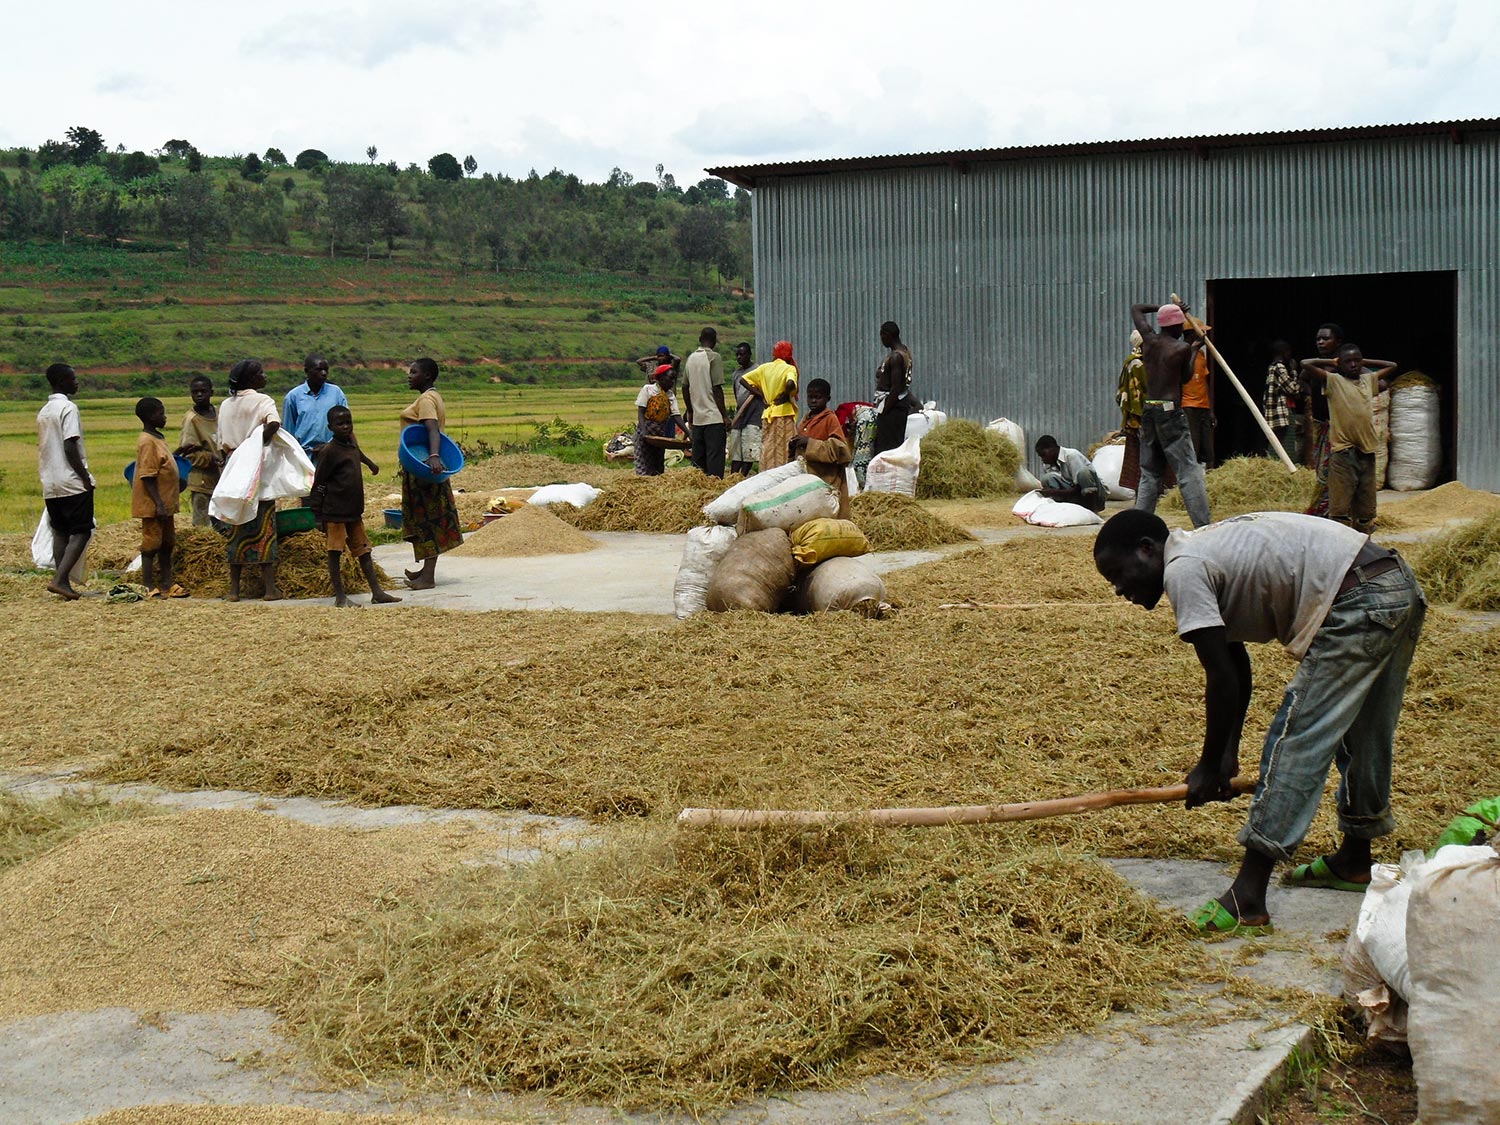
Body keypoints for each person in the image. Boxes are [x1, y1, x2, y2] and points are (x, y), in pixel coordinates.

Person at [1094, 508, 1426, 934]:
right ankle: (1355, 859)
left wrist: (1209, 764)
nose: (1120, 589)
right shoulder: (1199, 552)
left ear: (1146, 550)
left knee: (1296, 738)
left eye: (1118, 574)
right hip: (1393, 585)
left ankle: (1248, 897)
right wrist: (1228, 754)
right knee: (1364, 732)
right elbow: (1236, 665)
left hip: (1358, 599)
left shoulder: (1183, 570)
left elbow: (1221, 680)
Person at [1129, 301, 1212, 527]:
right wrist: (1194, 349)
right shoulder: (1181, 348)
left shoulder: (1149, 339)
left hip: (1149, 409)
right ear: (1176, 327)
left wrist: (1163, 307)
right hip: (1169, 411)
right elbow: (1185, 378)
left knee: (1149, 473)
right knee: (1187, 471)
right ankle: (1203, 526)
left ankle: (1140, 525)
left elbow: (1136, 308)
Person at [310, 405, 400, 608]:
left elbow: (357, 453)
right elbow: (319, 482)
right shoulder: (329, 451)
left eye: (348, 422)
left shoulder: (351, 443)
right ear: (330, 427)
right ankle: (340, 597)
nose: (345, 427)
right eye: (339, 423)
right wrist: (317, 513)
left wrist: (370, 464)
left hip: (353, 511)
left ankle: (377, 592)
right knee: (335, 552)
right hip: (334, 513)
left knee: (364, 550)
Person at [1302, 343, 1397, 534]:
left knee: (1366, 504)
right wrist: (1332, 361)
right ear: (1340, 364)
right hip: (1344, 452)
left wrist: (1364, 361)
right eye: (1348, 362)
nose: (1353, 365)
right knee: (1341, 505)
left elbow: (1392, 366)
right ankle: (1342, 539)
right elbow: (1306, 363)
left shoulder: (1367, 380)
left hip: (1366, 452)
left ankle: (1364, 536)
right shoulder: (1334, 381)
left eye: (1357, 361)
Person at [217, 358, 283, 602]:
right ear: (252, 379)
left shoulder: (225, 405)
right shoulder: (263, 401)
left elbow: (221, 442)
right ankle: (269, 589)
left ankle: (234, 590)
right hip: (256, 470)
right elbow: (274, 424)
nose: (265, 376)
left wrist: (238, 453)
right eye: (261, 373)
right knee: (264, 524)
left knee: (235, 525)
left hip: (232, 468)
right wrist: (254, 444)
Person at [399, 357, 462, 589]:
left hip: (425, 468)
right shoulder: (434, 396)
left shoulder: (426, 400)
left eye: (413, 372)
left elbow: (432, 429)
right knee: (428, 519)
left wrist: (433, 457)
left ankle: (428, 577)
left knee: (427, 521)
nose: (409, 375)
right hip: (427, 466)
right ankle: (425, 570)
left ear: (426, 376)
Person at [36, 362, 95, 600]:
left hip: (50, 481)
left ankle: (63, 584)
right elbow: (70, 446)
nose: (76, 382)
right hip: (71, 480)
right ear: (62, 382)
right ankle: (60, 579)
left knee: (60, 531)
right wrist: (84, 477)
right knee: (81, 531)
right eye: (73, 378)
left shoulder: (44, 411)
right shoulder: (68, 408)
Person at [131, 397, 185, 598]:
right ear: (151, 416)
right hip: (154, 504)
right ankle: (147, 583)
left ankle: (167, 582)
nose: (164, 416)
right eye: (161, 413)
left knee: (167, 543)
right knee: (151, 544)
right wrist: (159, 503)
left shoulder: (157, 438)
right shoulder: (147, 441)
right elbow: (148, 475)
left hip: (165, 504)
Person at [788, 378, 852, 518]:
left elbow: (841, 450)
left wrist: (810, 443)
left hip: (825, 478)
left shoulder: (830, 419)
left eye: (818, 397)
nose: (813, 401)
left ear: (827, 398)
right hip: (808, 477)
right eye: (810, 397)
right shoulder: (806, 419)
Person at [733, 340, 799, 470]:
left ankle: (766, 472)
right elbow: (790, 383)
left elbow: (743, 380)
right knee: (785, 449)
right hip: (784, 414)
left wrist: (762, 395)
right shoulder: (789, 368)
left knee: (768, 447)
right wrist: (786, 393)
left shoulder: (765, 368)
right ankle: (783, 476)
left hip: (767, 413)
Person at [1301, 323, 1343, 517]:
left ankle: (1334, 509)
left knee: (1335, 468)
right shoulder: (1315, 365)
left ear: (1338, 341)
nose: (1321, 342)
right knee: (1321, 468)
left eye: (1326, 338)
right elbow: (1303, 375)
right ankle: (1323, 508)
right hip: (1320, 423)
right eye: (1318, 338)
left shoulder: (1344, 364)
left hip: (1339, 425)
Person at [282, 354, 348, 460]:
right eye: (318, 370)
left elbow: (345, 424)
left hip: (332, 455)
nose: (324, 373)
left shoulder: (336, 393)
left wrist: (329, 446)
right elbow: (289, 431)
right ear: (306, 371)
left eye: (326, 370)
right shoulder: (293, 397)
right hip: (303, 457)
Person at [682, 327, 728, 477]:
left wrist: (690, 411)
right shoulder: (714, 357)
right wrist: (725, 416)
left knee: (698, 463)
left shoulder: (690, 359)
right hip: (713, 418)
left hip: (698, 419)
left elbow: (684, 387)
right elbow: (716, 389)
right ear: (714, 342)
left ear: (699, 339)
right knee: (714, 461)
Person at [176, 374, 222, 527]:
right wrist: (210, 458)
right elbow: (188, 455)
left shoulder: (219, 413)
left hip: (221, 478)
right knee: (202, 526)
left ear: (211, 392)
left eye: (203, 391)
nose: (199, 395)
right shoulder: (192, 419)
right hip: (201, 480)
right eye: (195, 392)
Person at [634, 364, 687, 476]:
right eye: (670, 378)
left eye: (674, 379)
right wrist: (644, 431)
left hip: (659, 431)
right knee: (644, 461)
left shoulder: (670, 395)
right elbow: (641, 412)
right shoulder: (648, 390)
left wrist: (688, 433)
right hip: (646, 429)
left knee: (658, 462)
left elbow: (676, 415)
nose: (672, 382)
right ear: (661, 378)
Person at [872, 321, 916, 457]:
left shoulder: (896, 357)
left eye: (882, 336)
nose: (881, 340)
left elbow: (895, 388)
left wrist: (884, 411)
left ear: (887, 336)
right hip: (897, 406)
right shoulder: (905, 351)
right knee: (893, 444)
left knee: (887, 448)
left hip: (893, 408)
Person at [1035, 435, 1107, 512]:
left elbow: (1079, 487)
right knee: (1046, 478)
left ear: (1052, 448)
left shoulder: (1072, 455)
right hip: (1074, 496)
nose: (1043, 459)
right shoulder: (1047, 464)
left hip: (1094, 496)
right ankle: (1065, 509)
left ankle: (1092, 510)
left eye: (1043, 455)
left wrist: (1054, 492)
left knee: (1083, 473)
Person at [1116, 330, 1147, 492]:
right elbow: (1140, 394)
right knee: (1144, 458)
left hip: (1135, 419)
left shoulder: (1132, 362)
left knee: (1140, 457)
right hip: (1139, 418)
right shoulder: (1138, 365)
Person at [1262, 341, 1302, 463]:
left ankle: (1276, 463)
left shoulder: (1271, 367)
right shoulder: (1279, 367)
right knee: (1287, 442)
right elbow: (1292, 389)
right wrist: (1294, 372)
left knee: (1278, 441)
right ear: (1284, 353)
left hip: (1276, 411)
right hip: (1282, 411)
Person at [1181, 325, 1215, 467]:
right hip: (1188, 406)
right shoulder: (1182, 352)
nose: (1205, 335)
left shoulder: (1201, 355)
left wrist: (1211, 409)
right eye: (1202, 332)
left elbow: (1204, 381)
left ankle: (1208, 479)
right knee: (1192, 446)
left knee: (1207, 448)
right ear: (1192, 335)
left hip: (1203, 406)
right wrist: (1193, 349)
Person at [726, 342, 761, 476]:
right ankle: (733, 476)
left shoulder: (757, 370)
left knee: (749, 448)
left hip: (753, 413)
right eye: (737, 355)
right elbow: (736, 393)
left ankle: (742, 476)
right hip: (740, 413)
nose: (739, 357)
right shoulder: (736, 374)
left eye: (742, 354)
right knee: (736, 447)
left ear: (749, 355)